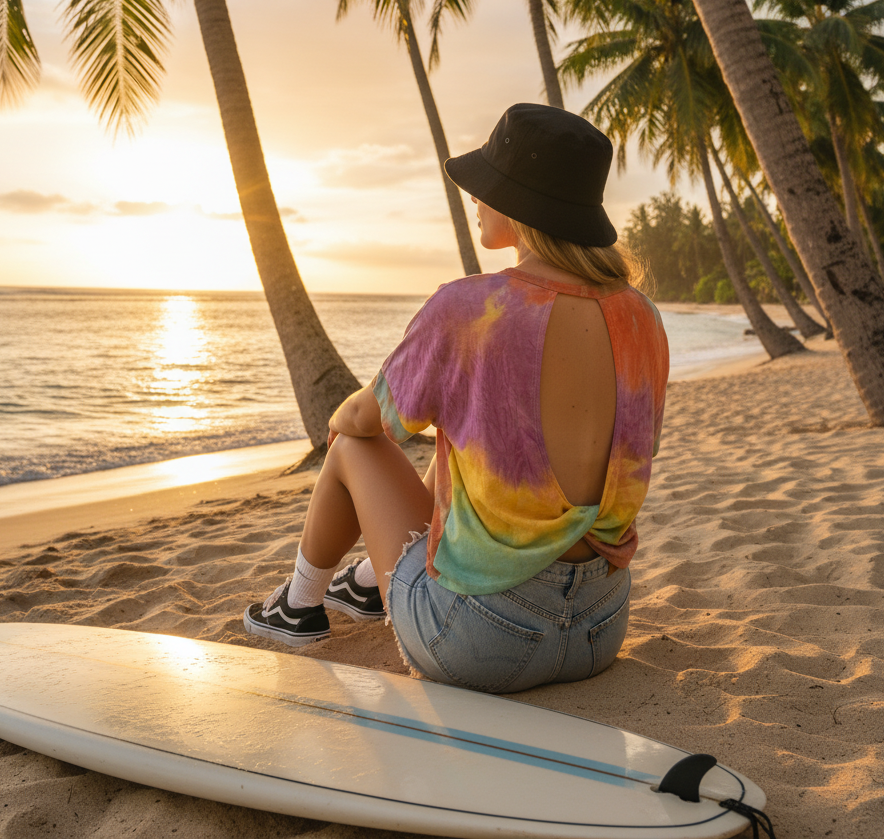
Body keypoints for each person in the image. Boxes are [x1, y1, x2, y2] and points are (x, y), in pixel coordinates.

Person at [243, 103, 669, 693]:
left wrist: (345, 410)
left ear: (519, 204)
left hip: (483, 641)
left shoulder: (470, 309)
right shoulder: (641, 316)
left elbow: (373, 421)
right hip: (599, 628)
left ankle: (298, 607)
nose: (475, 198)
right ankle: (368, 582)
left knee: (350, 446)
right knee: (464, 440)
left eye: (486, 188)